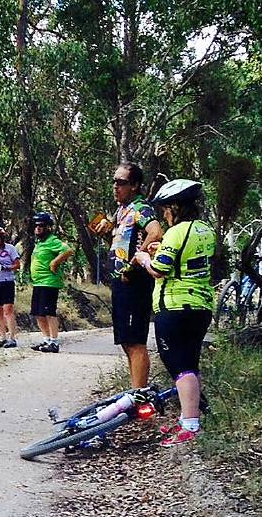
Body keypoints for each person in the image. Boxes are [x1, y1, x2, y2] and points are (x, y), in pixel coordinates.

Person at [131, 179, 215, 446]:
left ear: (176, 207)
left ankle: (190, 426)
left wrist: (145, 258)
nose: (164, 215)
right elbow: (185, 259)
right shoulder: (205, 230)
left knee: (179, 364)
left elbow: (160, 269)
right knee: (190, 361)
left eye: (166, 209)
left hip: (175, 305)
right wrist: (162, 249)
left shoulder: (177, 232)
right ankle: (189, 417)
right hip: (200, 305)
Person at [90, 162, 163, 388]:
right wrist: (105, 234)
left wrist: (136, 262)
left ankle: (139, 394)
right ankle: (134, 391)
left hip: (135, 282)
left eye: (121, 182)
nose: (115, 186)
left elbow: (156, 231)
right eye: (114, 181)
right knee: (125, 340)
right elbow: (119, 244)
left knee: (135, 340)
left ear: (135, 185)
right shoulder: (121, 211)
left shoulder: (141, 207)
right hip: (120, 283)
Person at [29, 212, 74, 353]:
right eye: (36, 226)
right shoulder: (39, 243)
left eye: (41, 226)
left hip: (49, 282)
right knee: (38, 313)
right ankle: (46, 340)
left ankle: (54, 342)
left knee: (49, 313)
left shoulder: (52, 240)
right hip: (38, 283)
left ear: (48, 227)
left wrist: (55, 262)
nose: (38, 228)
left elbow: (68, 250)